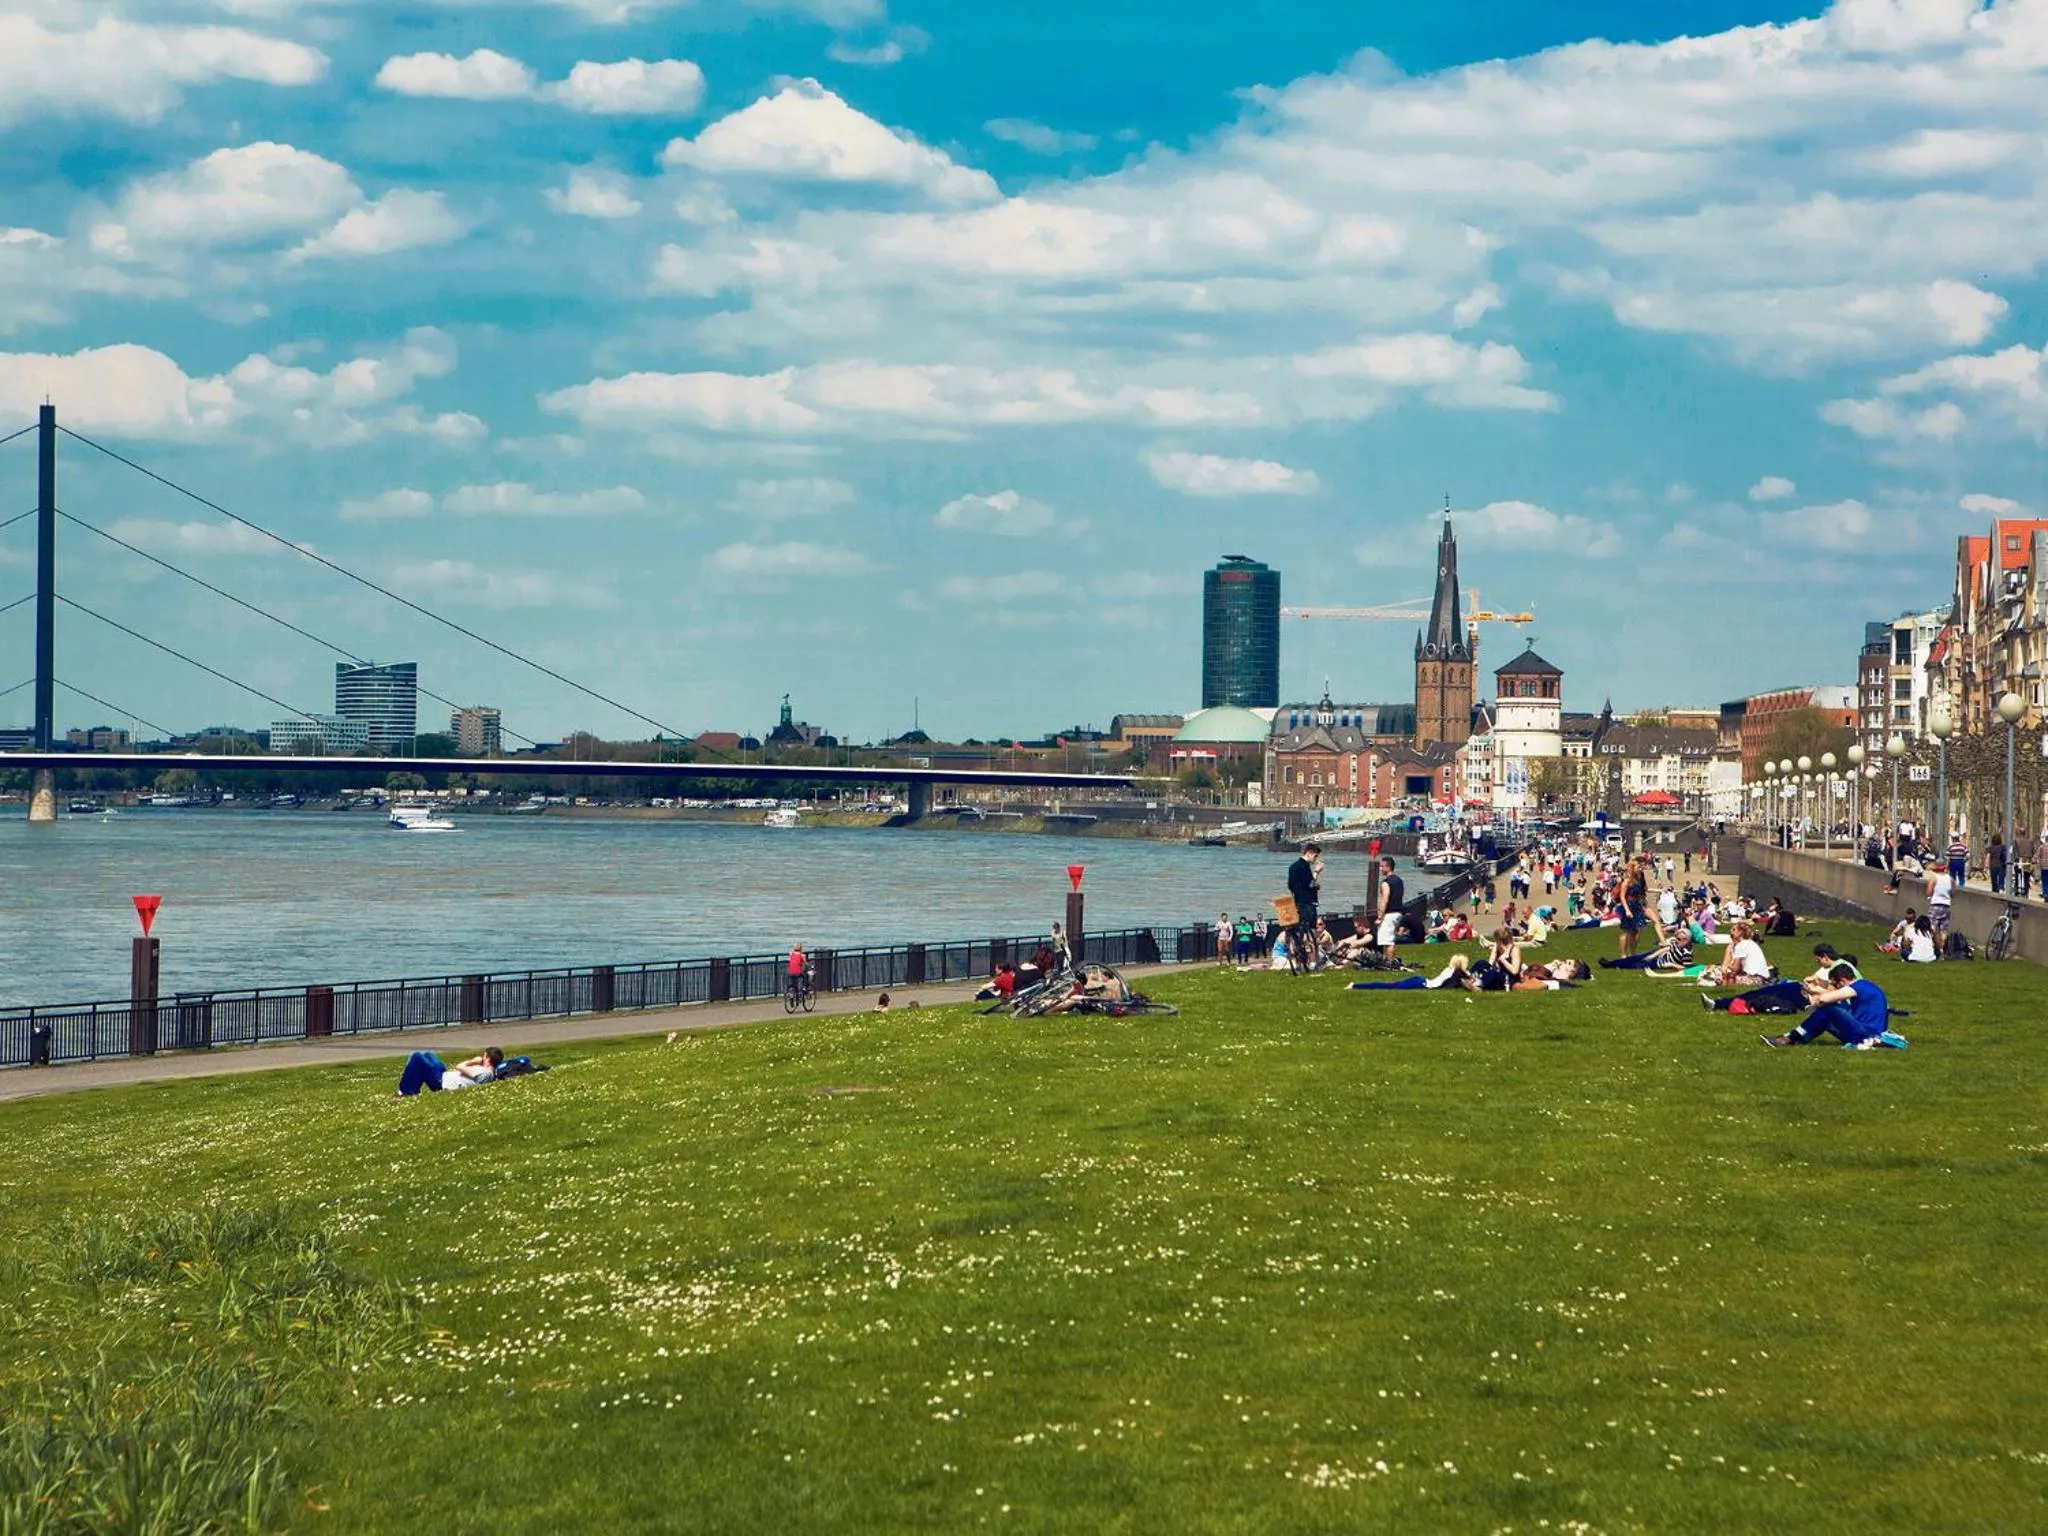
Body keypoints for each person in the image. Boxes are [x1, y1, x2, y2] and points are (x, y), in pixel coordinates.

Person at [1760, 965, 1897, 1048]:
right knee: (1824, 1018)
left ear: (1842, 981)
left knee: (1829, 1010)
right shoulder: (1866, 986)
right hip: (1867, 1031)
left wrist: (1815, 998)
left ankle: (1789, 1038)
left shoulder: (1858, 987)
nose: (1834, 987)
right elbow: (1834, 995)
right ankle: (1793, 1038)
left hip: (1868, 1034)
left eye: (1835, 984)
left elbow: (1826, 997)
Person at [397, 1046, 503, 1097]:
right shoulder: (487, 1072)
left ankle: (405, 1091)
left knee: (417, 1057)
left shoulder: (485, 1073)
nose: (481, 1057)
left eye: (484, 1055)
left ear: (488, 1059)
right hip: (443, 1075)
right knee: (429, 1054)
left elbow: (460, 1066)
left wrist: (473, 1061)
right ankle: (414, 1089)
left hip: (440, 1082)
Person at [1926, 862, 1954, 940]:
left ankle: (1931, 944)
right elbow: (1952, 893)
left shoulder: (1933, 879)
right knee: (1944, 929)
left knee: (1932, 926)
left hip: (1935, 904)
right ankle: (1942, 947)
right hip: (1947, 905)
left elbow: (1928, 892)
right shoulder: (1950, 879)